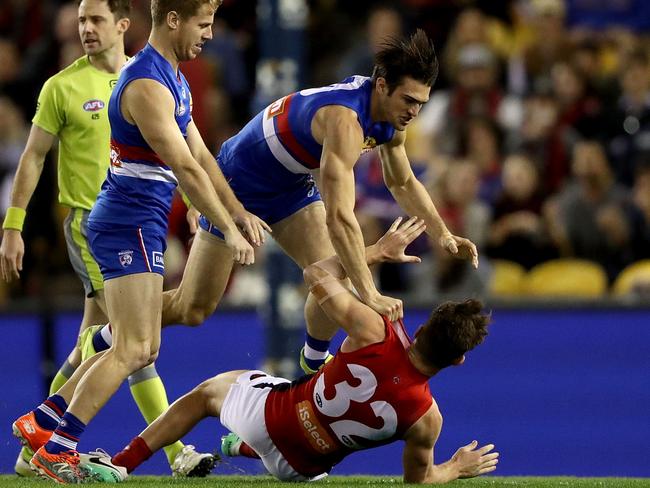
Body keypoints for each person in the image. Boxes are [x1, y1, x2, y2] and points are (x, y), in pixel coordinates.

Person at [88, 28, 479, 379]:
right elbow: (341, 218)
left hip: (288, 187)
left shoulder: (392, 119)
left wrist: (443, 232)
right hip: (235, 186)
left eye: (422, 103)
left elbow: (403, 181)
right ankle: (108, 333)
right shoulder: (345, 120)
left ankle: (312, 363)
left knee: (332, 275)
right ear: (381, 86)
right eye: (409, 99)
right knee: (194, 309)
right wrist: (371, 294)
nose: (414, 111)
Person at [11, 0, 264, 482]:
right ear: (174, 19)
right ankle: (56, 448)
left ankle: (44, 422)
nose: (209, 35)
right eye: (203, 24)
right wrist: (228, 231)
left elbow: (203, 157)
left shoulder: (173, 77)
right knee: (134, 347)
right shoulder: (147, 83)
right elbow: (185, 167)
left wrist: (237, 212)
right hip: (125, 221)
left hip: (138, 221)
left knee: (135, 340)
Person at [95, 217, 498, 483]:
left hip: (271, 420)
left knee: (207, 394)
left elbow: (315, 273)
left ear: (424, 326)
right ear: (458, 360)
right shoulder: (427, 419)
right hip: (300, 469)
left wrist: (374, 252)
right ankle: (244, 444)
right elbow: (419, 481)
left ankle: (122, 464)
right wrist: (456, 468)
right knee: (299, 405)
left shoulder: (376, 329)